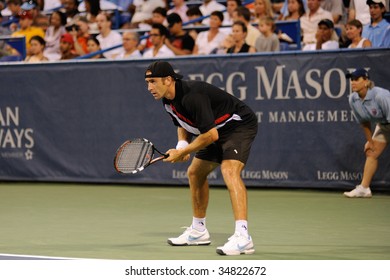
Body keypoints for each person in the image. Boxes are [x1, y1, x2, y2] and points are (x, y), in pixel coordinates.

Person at [144, 61, 258, 256]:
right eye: (147, 82)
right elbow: (183, 123)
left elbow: (211, 136)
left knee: (229, 171)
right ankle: (198, 231)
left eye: (153, 81)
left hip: (238, 126)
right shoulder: (167, 100)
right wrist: (181, 145)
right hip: (215, 130)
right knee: (195, 173)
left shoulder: (192, 96)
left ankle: (243, 237)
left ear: (168, 80)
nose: (149, 87)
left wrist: (182, 152)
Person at [344, 68, 390, 198]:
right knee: (371, 151)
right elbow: (364, 122)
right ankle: (364, 188)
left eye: (356, 79)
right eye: (351, 80)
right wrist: (370, 142)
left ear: (366, 81)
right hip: (384, 125)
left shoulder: (380, 96)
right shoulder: (353, 99)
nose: (353, 82)